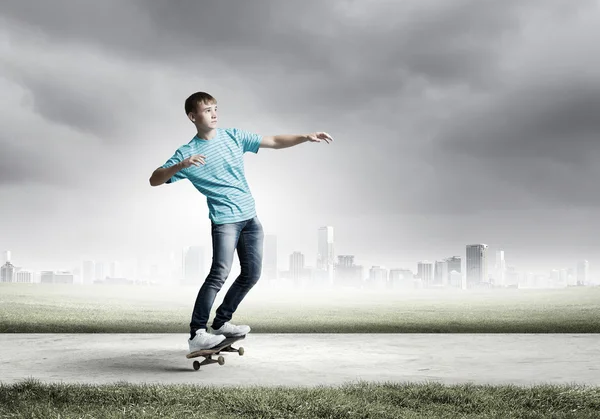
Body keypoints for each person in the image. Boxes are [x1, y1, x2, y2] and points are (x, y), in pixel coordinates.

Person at [149, 92, 333, 352]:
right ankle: (196, 333)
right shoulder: (187, 152)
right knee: (219, 274)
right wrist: (181, 165)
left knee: (251, 274)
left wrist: (305, 137)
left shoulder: (233, 136)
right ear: (193, 117)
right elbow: (155, 179)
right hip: (225, 222)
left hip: (250, 219)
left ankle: (222, 322)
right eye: (207, 110)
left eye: (215, 108)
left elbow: (273, 140)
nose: (214, 113)